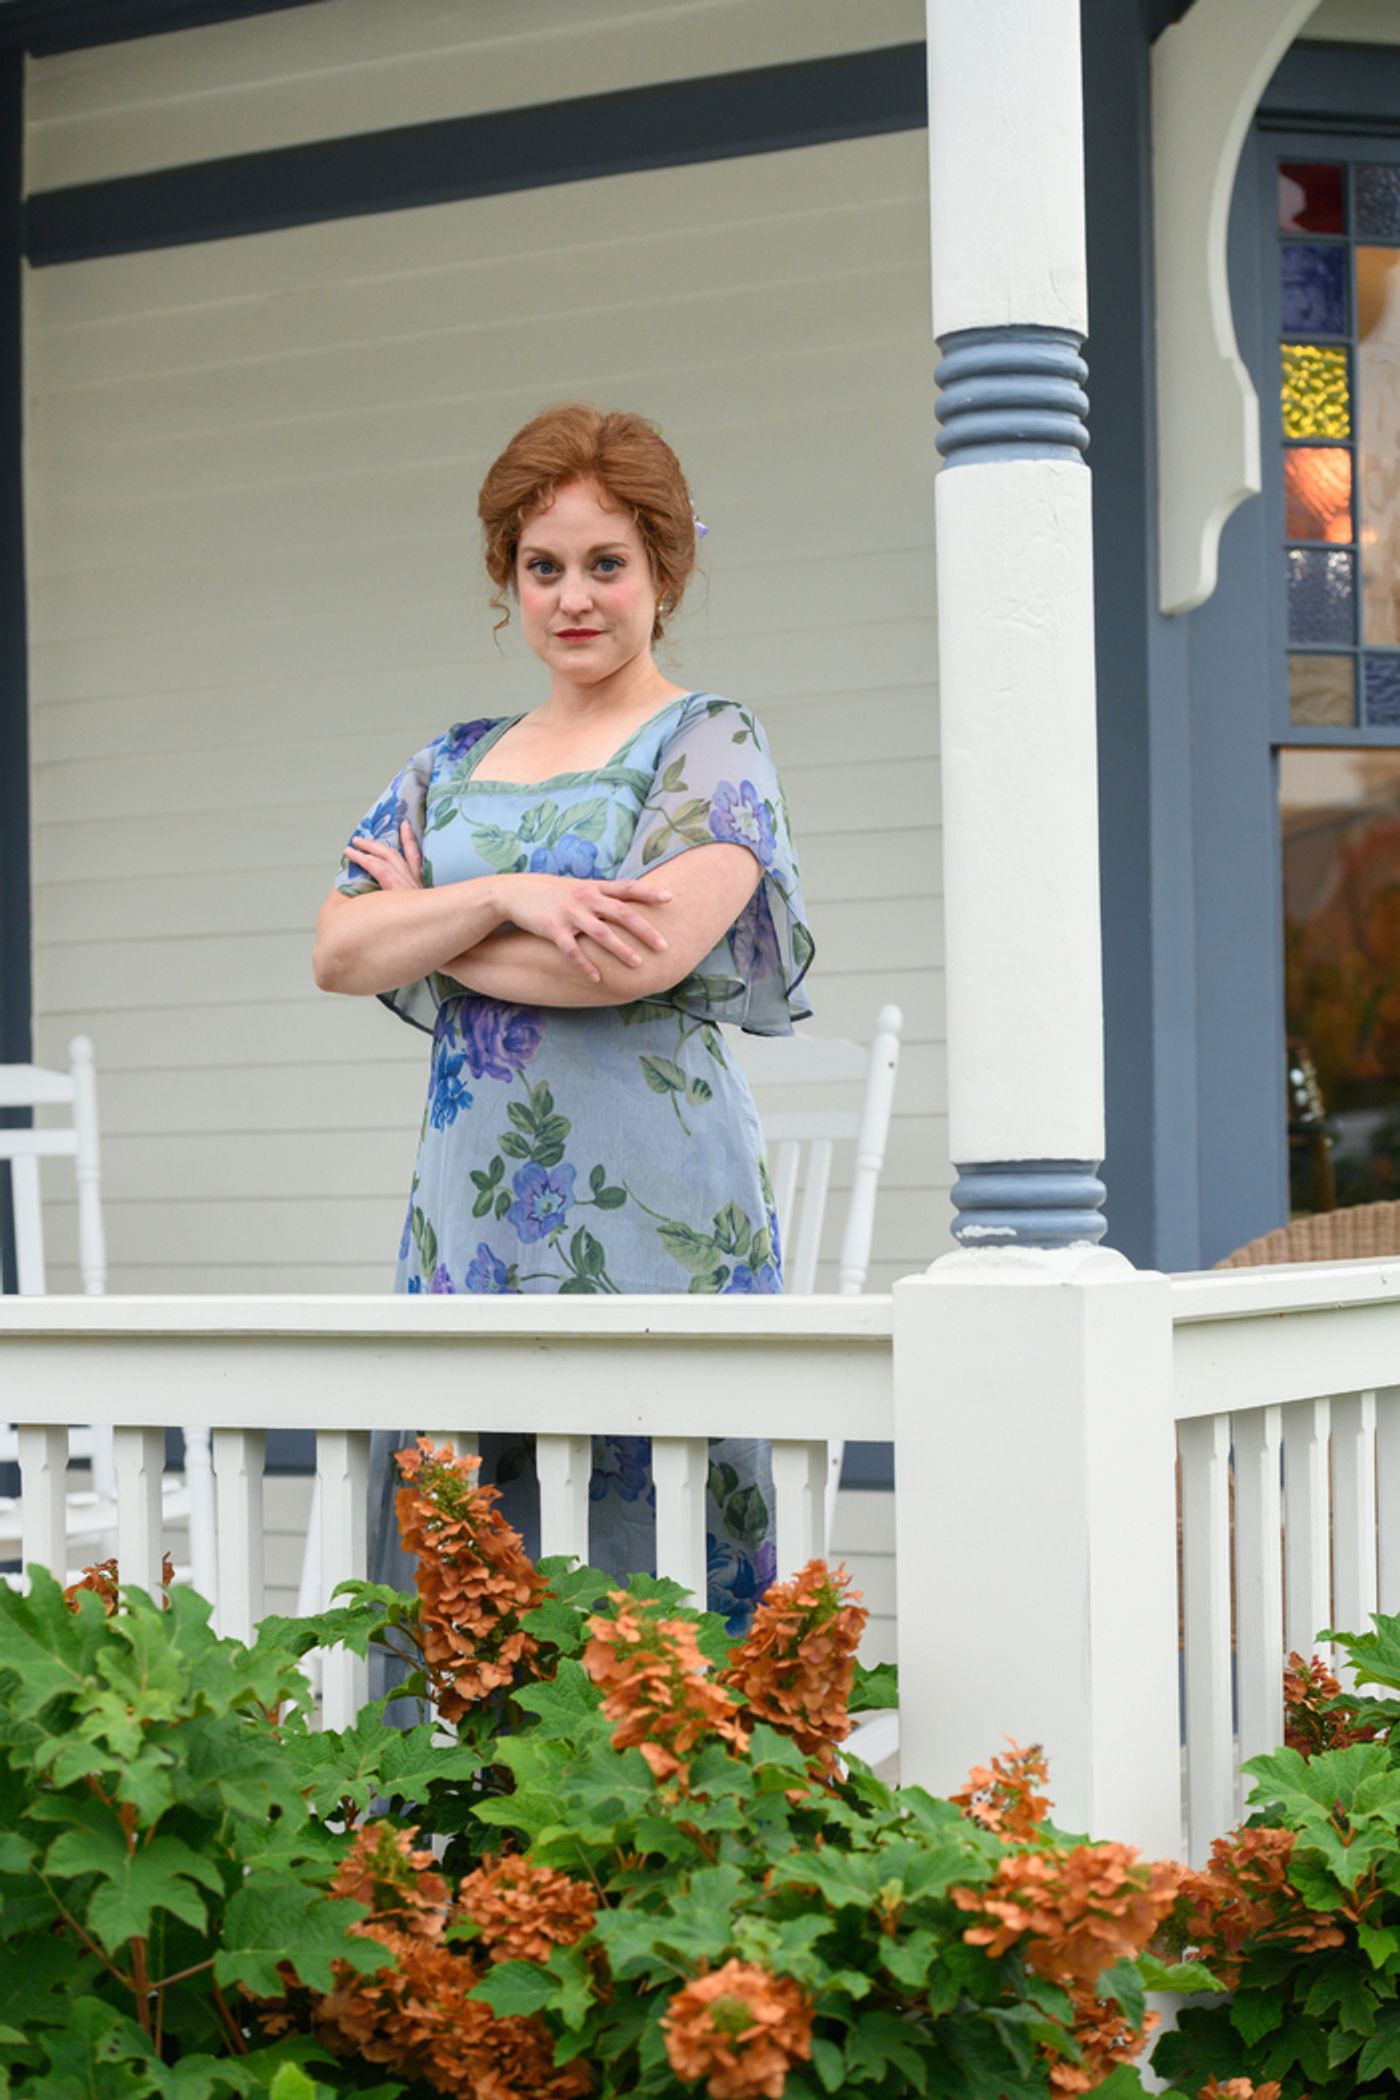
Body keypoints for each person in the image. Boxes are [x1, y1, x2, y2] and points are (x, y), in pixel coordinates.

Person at [312, 403, 814, 1633]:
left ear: (661, 571)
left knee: (654, 1564)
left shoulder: (710, 743)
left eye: (606, 564)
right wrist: (511, 893)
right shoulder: (450, 761)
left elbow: (637, 957)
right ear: (509, 578)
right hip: (469, 1210)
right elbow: (338, 947)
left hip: (654, 1204)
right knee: (466, 1556)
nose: (573, 597)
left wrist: (434, 921)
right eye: (544, 568)